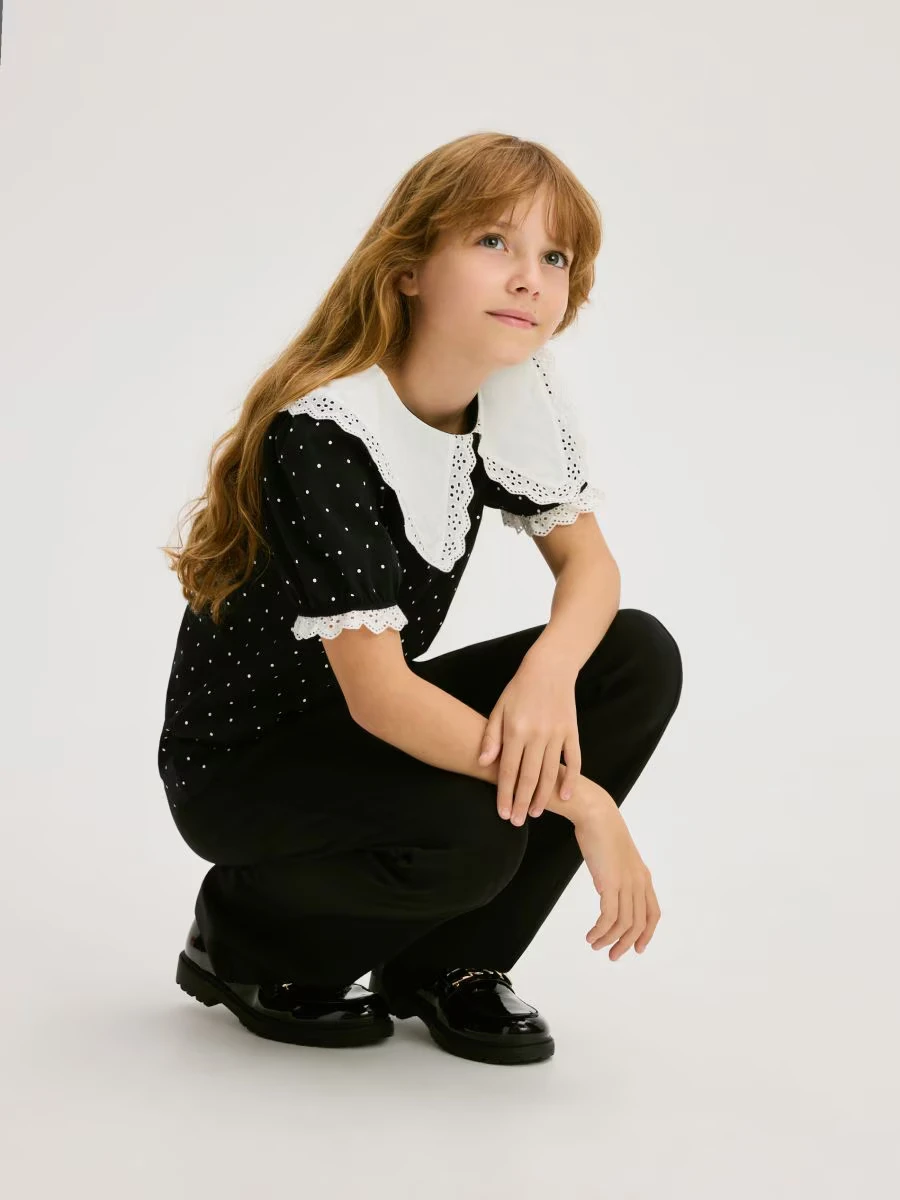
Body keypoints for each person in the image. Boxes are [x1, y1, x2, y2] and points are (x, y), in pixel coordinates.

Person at [157, 131, 683, 1066]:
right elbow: (380, 694)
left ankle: (452, 965)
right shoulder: (323, 430)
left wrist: (548, 675)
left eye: (554, 257)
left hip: (364, 731)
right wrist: (588, 805)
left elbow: (591, 568)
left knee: (632, 656)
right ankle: (246, 937)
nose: (528, 279)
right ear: (407, 269)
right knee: (473, 834)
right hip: (247, 767)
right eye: (494, 241)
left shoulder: (510, 381)